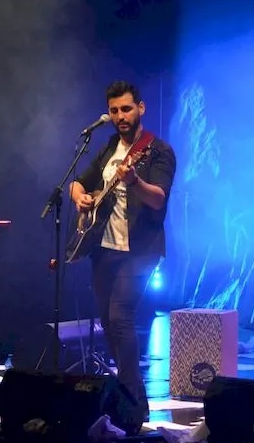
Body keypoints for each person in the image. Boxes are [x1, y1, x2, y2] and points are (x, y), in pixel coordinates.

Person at [69, 81, 176, 424]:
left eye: (126, 109)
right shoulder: (108, 147)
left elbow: (159, 197)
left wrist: (133, 182)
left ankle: (131, 400)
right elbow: (78, 182)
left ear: (140, 108)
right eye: (114, 111)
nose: (120, 116)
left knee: (120, 318)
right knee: (107, 322)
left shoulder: (157, 151)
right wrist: (78, 198)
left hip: (140, 250)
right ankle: (131, 399)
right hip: (104, 247)